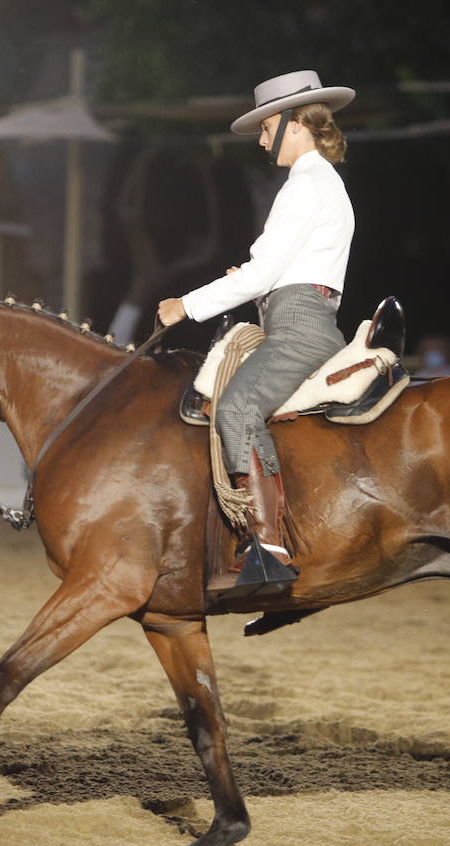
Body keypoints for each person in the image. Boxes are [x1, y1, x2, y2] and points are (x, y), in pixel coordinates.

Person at [156, 70, 355, 589]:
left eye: (267, 128)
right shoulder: (321, 182)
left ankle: (267, 549)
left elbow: (263, 272)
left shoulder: (305, 184)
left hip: (299, 329)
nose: (262, 140)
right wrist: (257, 286)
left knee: (238, 407)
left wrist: (187, 305)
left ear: (294, 125)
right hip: (295, 311)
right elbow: (279, 273)